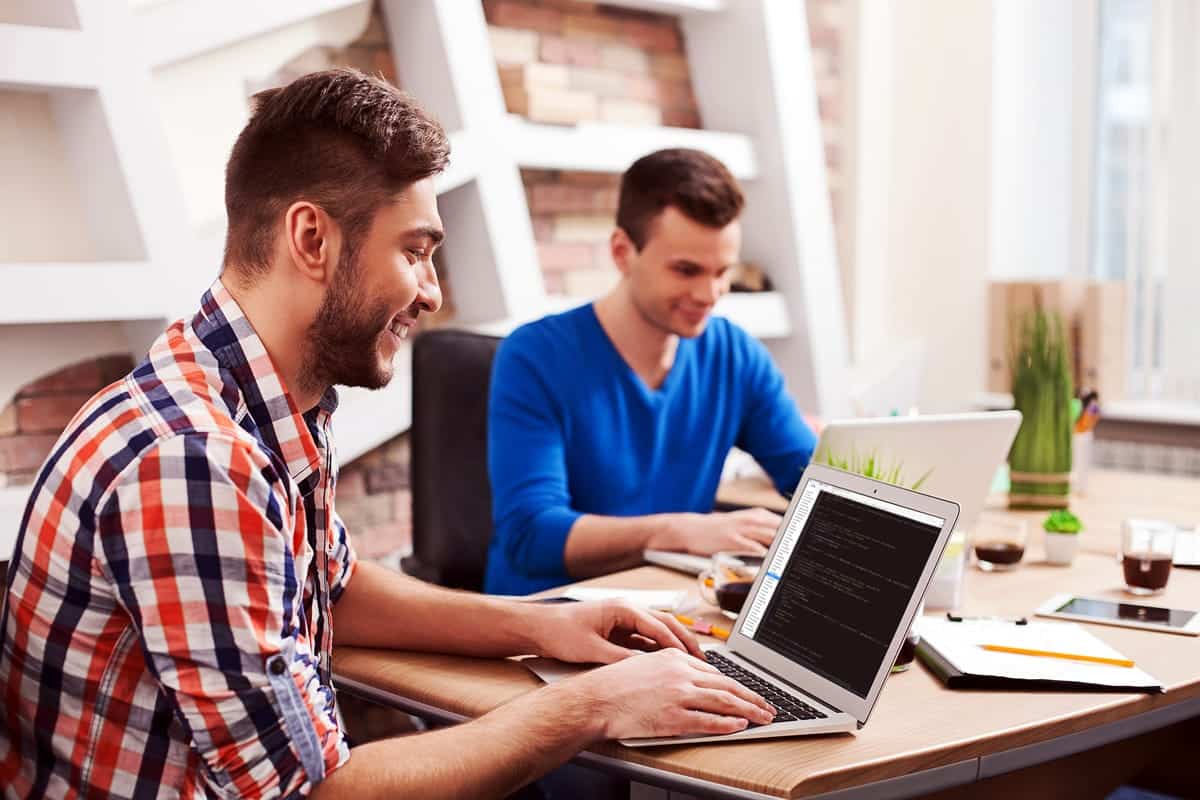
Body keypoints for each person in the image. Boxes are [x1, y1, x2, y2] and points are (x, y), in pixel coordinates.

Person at [0, 70, 774, 800]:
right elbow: (317, 790)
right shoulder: (194, 460)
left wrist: (543, 623)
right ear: (313, 240)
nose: (433, 293)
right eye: (415, 251)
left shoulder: (261, 403)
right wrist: (591, 707)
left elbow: (332, 587)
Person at [485, 149, 818, 596]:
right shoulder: (534, 356)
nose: (710, 293)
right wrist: (678, 530)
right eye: (686, 270)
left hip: (668, 611)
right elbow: (532, 534)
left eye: (723, 272)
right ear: (623, 252)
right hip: (543, 619)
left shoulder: (735, 355)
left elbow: (815, 482)